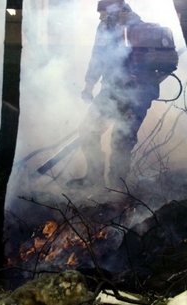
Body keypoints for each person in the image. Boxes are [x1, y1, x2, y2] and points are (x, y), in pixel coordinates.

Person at [67, 0, 160, 191]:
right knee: (116, 140)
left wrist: (89, 85)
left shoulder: (110, 26)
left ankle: (111, 189)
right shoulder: (140, 26)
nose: (100, 16)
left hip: (119, 92)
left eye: (102, 13)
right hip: (129, 94)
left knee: (104, 136)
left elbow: (98, 56)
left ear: (112, 10)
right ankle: (112, 187)